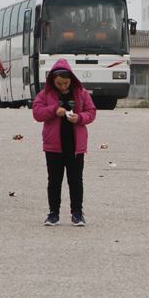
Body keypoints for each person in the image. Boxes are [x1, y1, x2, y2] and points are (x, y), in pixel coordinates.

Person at [33, 59, 96, 226]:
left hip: (76, 146)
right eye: (58, 83)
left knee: (75, 180)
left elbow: (91, 112)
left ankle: (77, 213)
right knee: (54, 180)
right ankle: (53, 213)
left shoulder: (82, 93)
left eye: (65, 83)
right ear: (53, 81)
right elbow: (37, 113)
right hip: (53, 145)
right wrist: (54, 110)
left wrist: (80, 117)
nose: (62, 86)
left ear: (71, 80)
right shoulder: (45, 94)